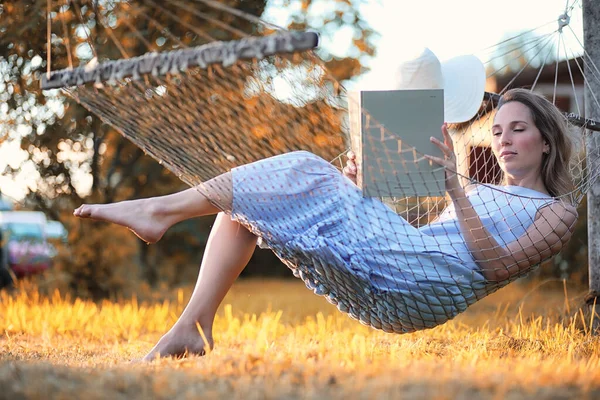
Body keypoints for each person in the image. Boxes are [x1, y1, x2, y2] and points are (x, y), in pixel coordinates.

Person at [73, 87, 578, 360]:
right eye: (497, 131)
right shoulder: (480, 189)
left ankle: (159, 210)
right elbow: (420, 240)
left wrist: (453, 187)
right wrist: (356, 192)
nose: (505, 139)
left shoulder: (557, 209)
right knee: (245, 207)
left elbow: (494, 267)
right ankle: (193, 328)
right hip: (404, 266)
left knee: (305, 168)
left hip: (427, 284)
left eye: (518, 129)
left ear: (547, 140)